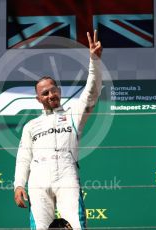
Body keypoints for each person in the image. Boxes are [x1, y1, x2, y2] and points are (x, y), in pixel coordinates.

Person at [14, 30, 102, 229]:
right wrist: (19, 184)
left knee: (76, 225)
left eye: (53, 90)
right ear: (38, 99)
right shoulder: (31, 126)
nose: (50, 94)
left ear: (59, 91)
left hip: (67, 174)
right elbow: (23, 158)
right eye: (45, 93)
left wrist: (94, 61)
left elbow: (91, 93)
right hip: (38, 179)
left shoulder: (73, 114)